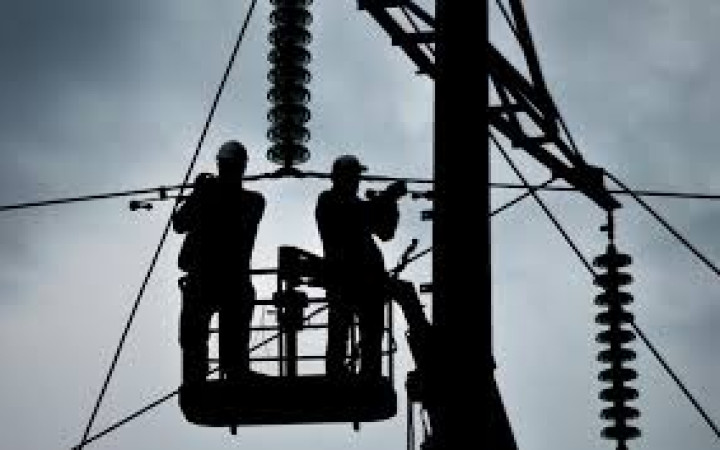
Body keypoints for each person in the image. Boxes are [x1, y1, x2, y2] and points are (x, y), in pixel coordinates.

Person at [172, 140, 266, 383]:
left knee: (218, 338)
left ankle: (225, 375)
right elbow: (180, 224)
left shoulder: (251, 201)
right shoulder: (230, 199)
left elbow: (182, 223)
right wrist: (199, 195)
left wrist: (200, 194)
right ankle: (213, 377)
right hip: (217, 280)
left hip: (220, 280)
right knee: (197, 338)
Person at [315, 154, 406, 379]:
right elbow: (353, 217)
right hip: (344, 279)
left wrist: (390, 205)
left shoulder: (358, 205)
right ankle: (336, 375)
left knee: (371, 335)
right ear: (340, 178)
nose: (357, 182)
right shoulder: (328, 201)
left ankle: (368, 375)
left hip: (370, 282)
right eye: (354, 177)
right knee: (340, 332)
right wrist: (385, 199)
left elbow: (385, 233)